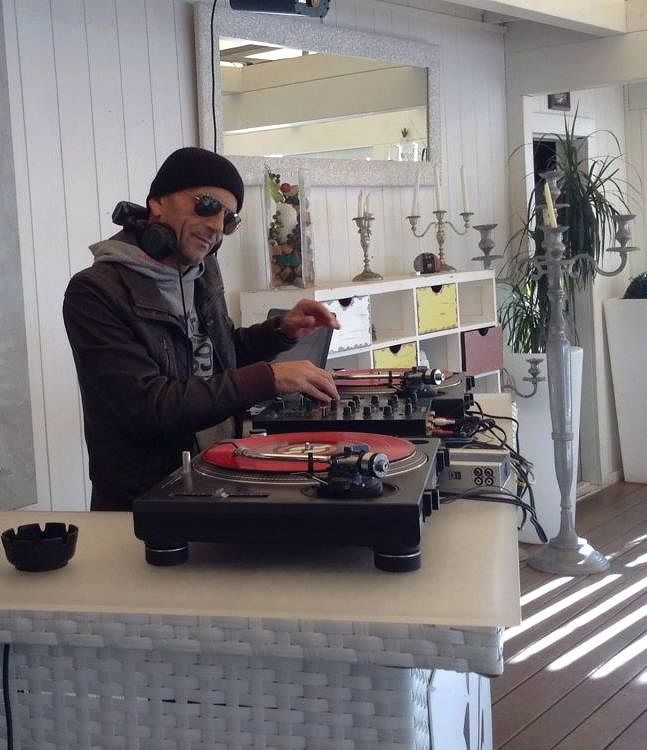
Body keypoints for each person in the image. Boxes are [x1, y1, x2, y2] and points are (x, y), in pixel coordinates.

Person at [63, 147, 340, 511]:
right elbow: (150, 406)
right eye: (207, 205)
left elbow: (219, 356)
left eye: (229, 219)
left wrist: (281, 331)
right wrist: (269, 378)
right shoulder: (95, 292)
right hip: (144, 503)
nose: (216, 227)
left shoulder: (202, 272)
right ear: (157, 203)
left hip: (218, 478)